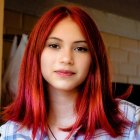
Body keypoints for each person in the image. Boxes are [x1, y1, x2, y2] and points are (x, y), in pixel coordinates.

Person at [0, 5, 140, 140]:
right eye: (54, 45)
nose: (67, 58)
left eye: (80, 48)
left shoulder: (131, 121)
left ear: (94, 59)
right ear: (36, 54)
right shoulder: (10, 132)